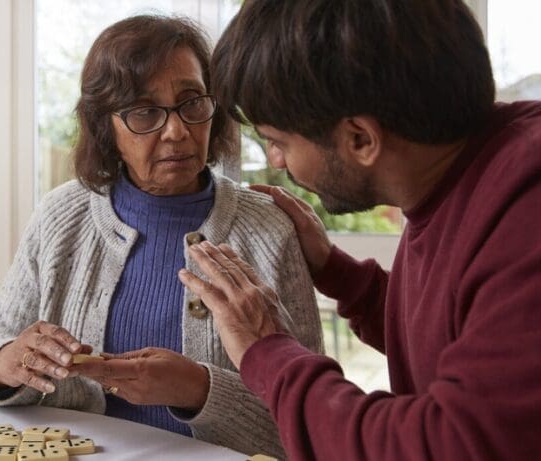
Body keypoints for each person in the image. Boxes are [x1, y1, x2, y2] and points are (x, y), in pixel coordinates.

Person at [177, 0, 541, 459]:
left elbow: (446, 445)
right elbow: (469, 338)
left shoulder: (527, 211)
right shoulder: (462, 177)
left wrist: (266, 351)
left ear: (360, 139)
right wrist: (338, 273)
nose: (275, 161)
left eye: (277, 140)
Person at [0, 14, 324, 457]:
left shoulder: (268, 231)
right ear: (105, 127)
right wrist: (5, 361)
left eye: (192, 103)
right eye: (144, 112)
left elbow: (310, 425)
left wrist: (199, 391)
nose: (177, 130)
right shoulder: (60, 215)